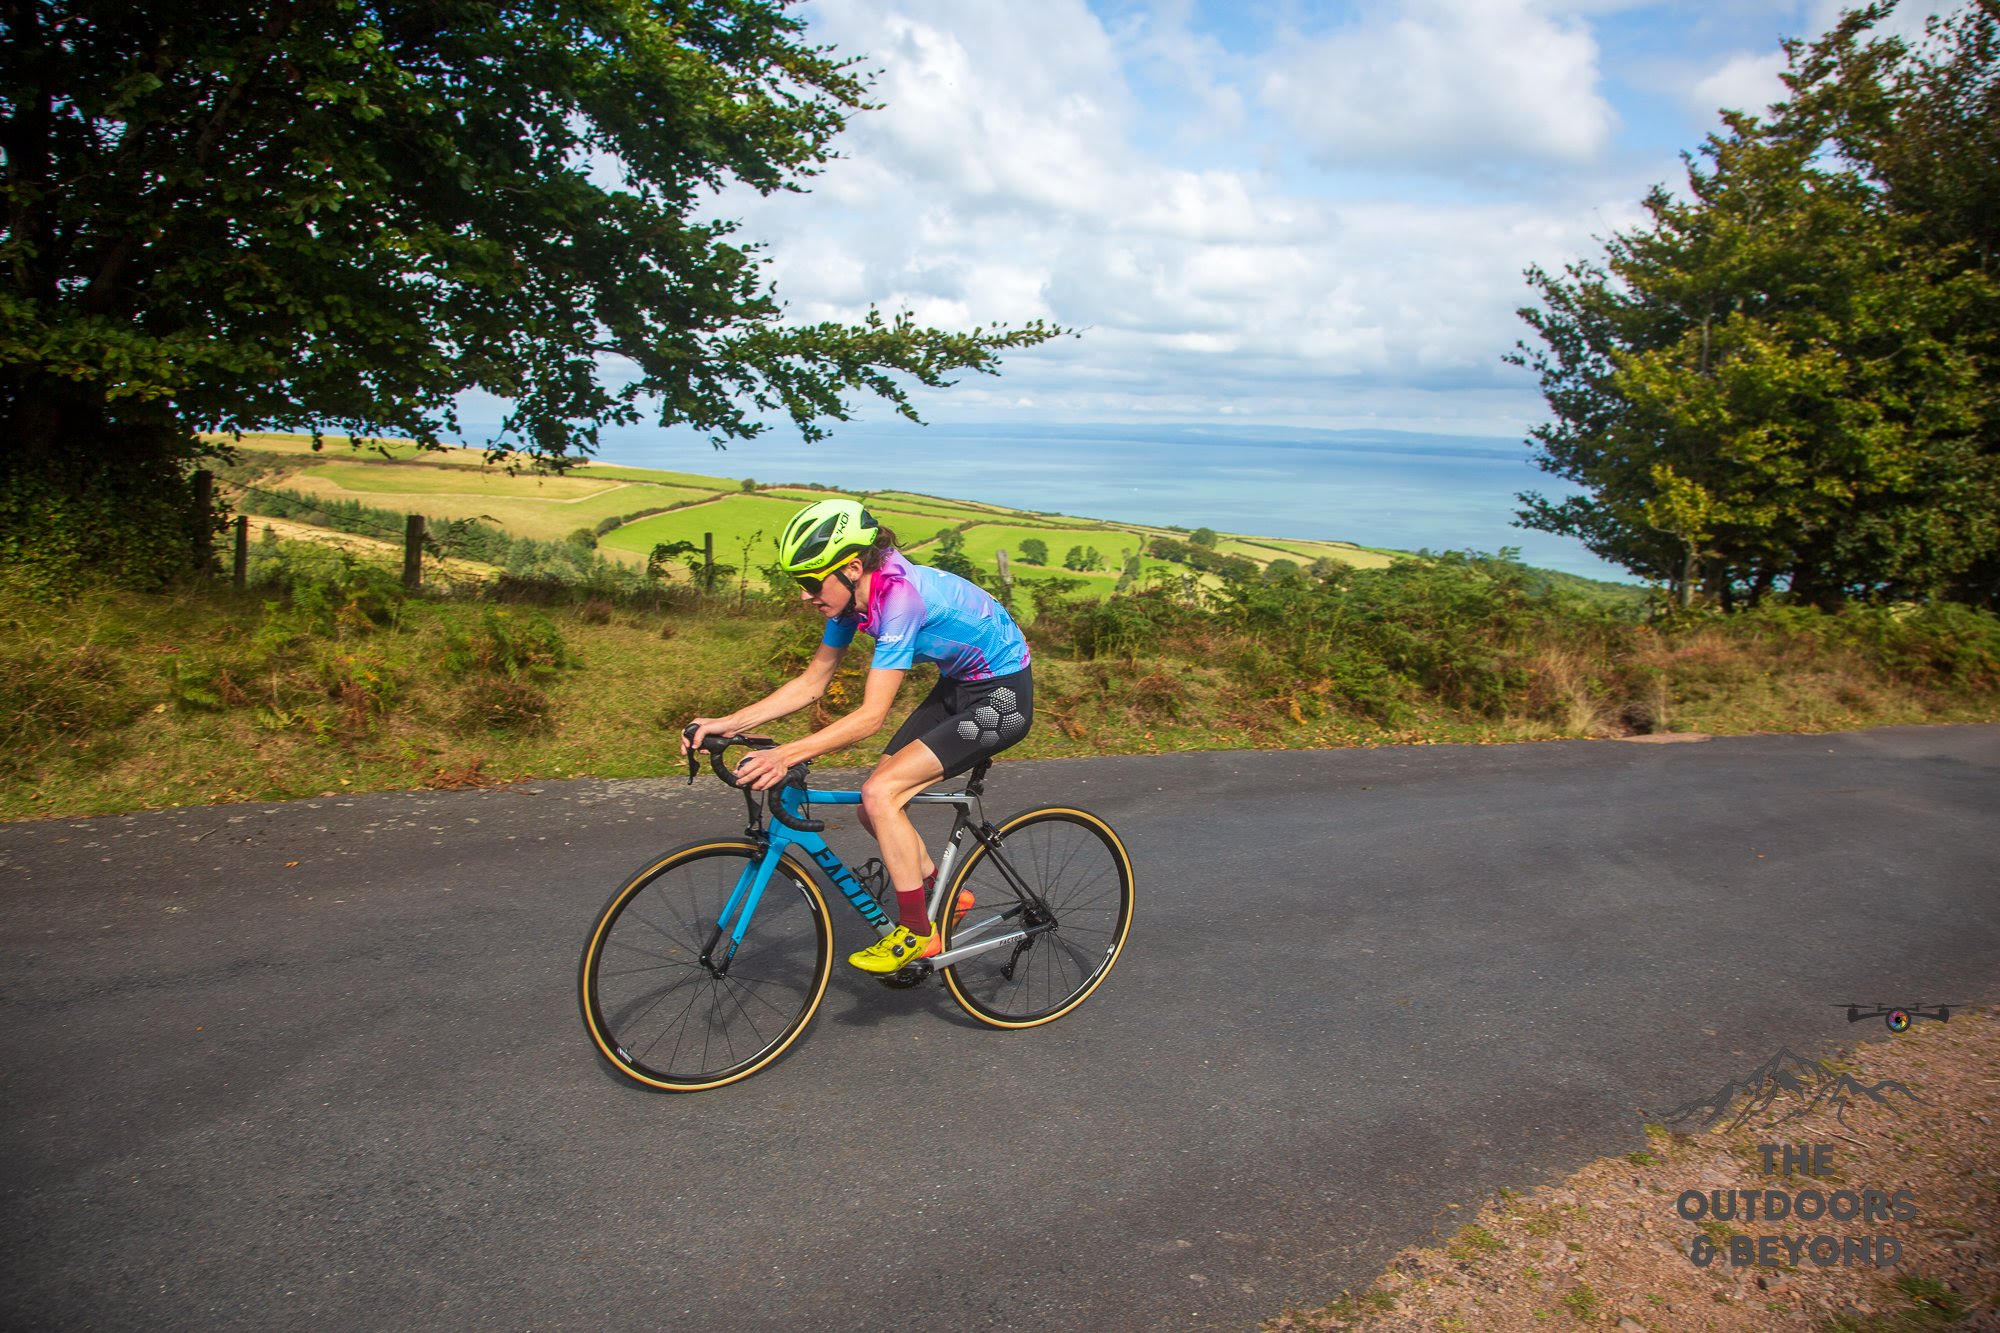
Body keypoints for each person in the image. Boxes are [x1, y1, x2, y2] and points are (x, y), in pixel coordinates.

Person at [683, 497, 1034, 973]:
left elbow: (871, 717)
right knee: (875, 809)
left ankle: (918, 935)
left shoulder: (899, 599)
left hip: (1002, 696)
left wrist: (785, 754)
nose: (805, 595)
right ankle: (948, 897)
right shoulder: (850, 599)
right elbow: (812, 684)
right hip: (959, 684)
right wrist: (726, 723)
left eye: (810, 581)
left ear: (851, 567)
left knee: (880, 791)